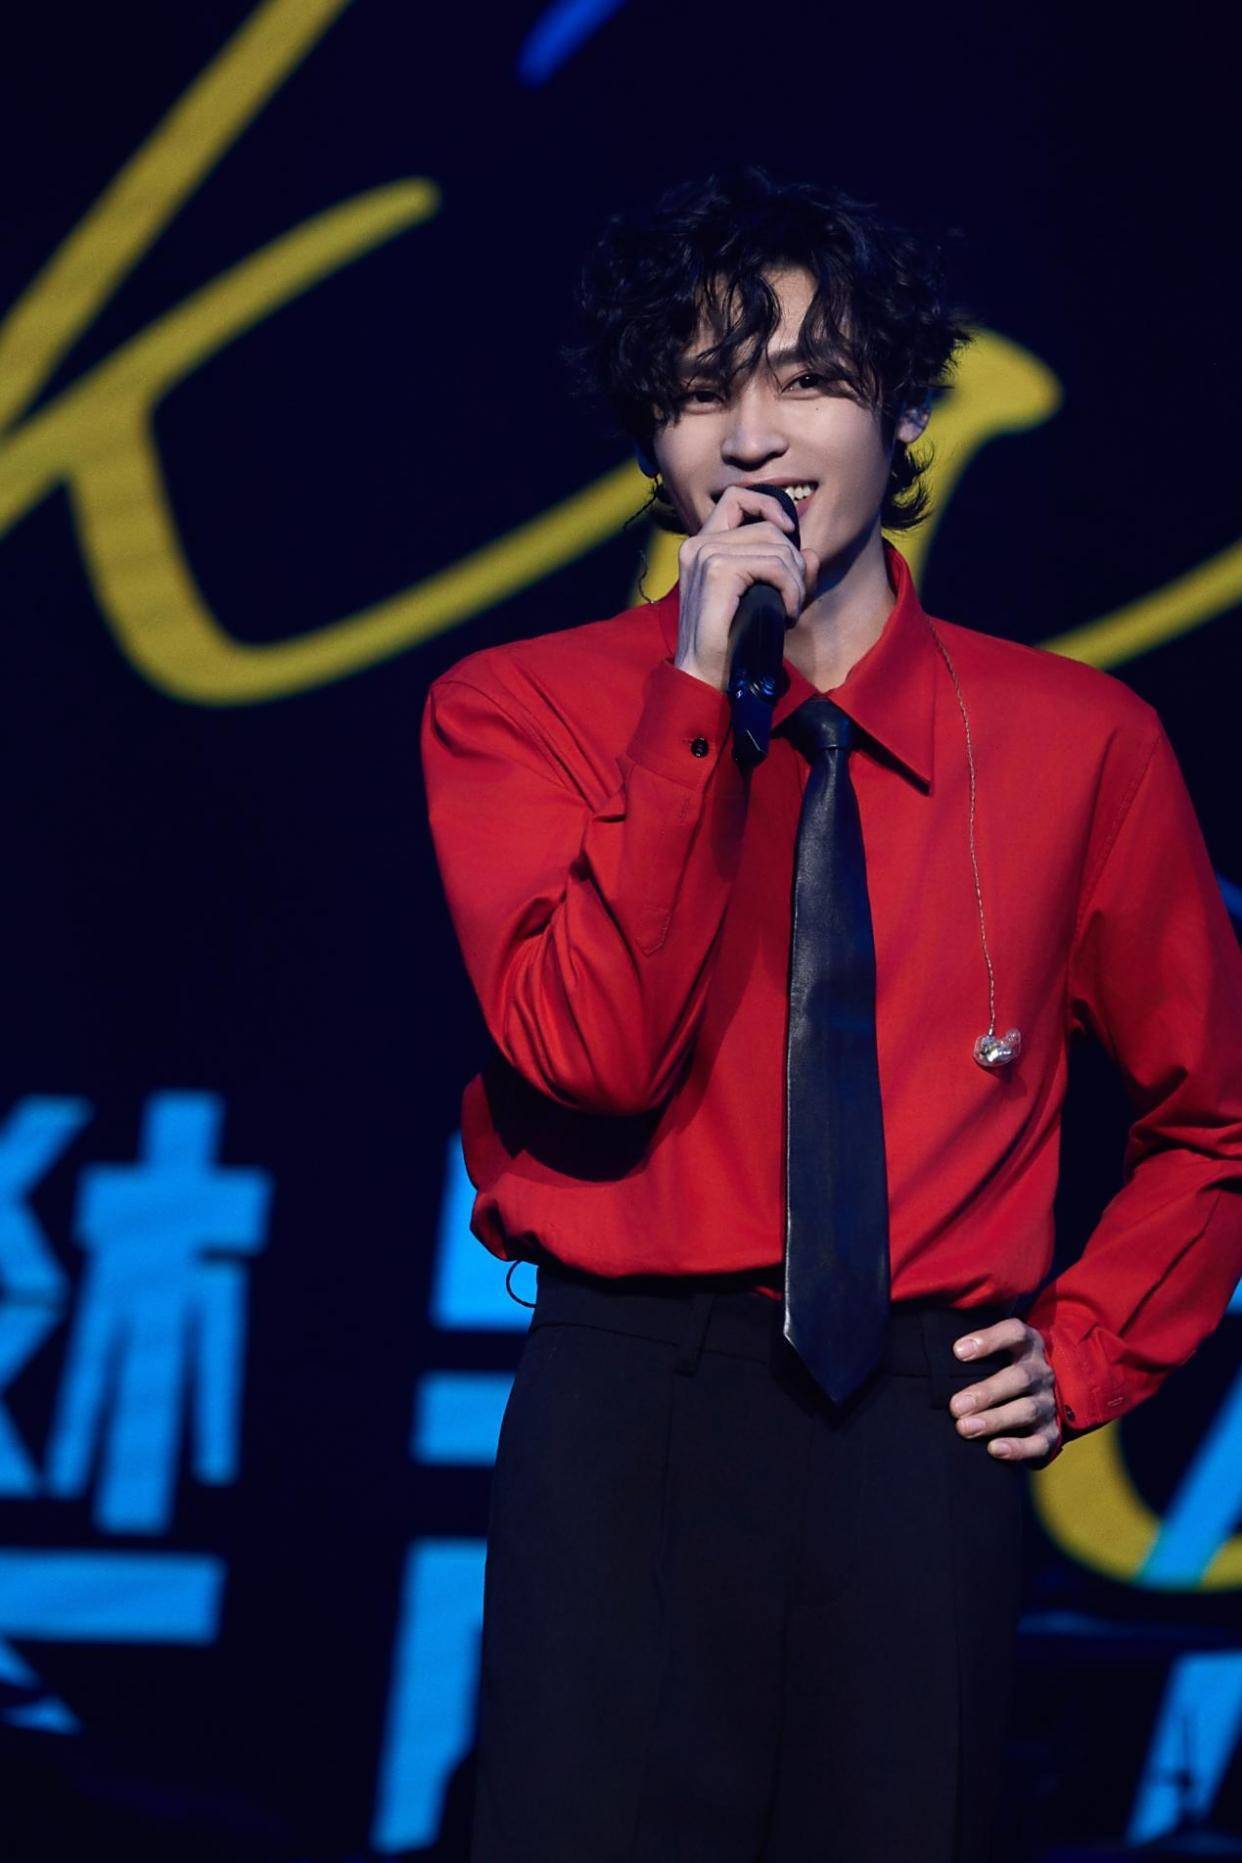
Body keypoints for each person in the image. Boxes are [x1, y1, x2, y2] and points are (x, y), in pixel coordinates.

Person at [420, 165, 1242, 1862]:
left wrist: (1091, 1346)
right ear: (651, 441)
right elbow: (588, 1056)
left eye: (806, 380)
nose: (751, 437)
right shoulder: (519, 711)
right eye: (697, 390)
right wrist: (693, 703)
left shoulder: (1076, 741)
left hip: (915, 1422)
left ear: (906, 409)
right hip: (628, 1401)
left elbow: (1215, 1113)